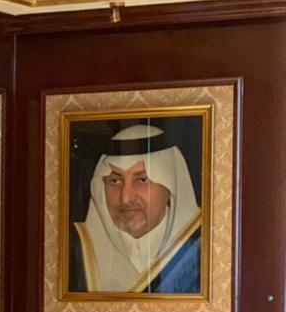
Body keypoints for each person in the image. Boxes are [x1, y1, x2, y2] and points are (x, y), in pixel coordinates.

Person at [69, 123, 201, 293]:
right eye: (115, 181)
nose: (125, 198)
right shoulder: (73, 250)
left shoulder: (203, 249)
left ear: (170, 186)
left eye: (142, 180)